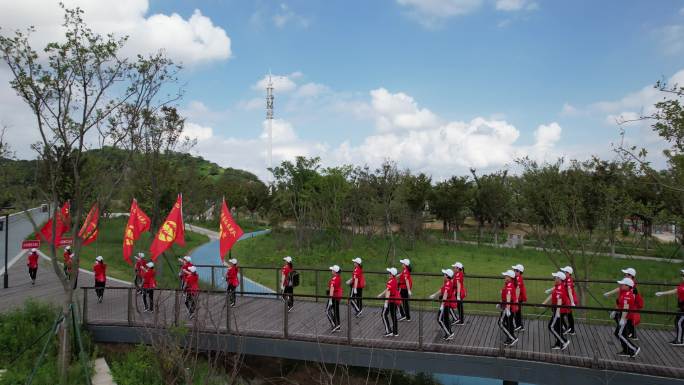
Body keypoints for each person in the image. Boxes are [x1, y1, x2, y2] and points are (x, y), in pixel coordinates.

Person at [604, 268, 641, 340]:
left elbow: (627, 304)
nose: (624, 275)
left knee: (623, 323)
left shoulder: (630, 286)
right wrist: (609, 293)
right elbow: (619, 289)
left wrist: (620, 315)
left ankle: (628, 335)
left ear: (630, 276)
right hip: (623, 306)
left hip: (626, 309)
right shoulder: (626, 283)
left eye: (625, 274)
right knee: (623, 321)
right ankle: (631, 334)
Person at [655, 269, 684, 346]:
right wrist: (662, 293)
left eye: (683, 275)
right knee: (677, 322)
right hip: (681, 308)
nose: (682, 277)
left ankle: (680, 340)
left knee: (679, 323)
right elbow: (675, 291)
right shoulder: (682, 285)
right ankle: (679, 338)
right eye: (682, 275)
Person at [612, 277, 640, 357]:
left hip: (625, 317)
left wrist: (623, 319)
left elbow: (625, 308)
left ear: (628, 286)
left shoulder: (627, 295)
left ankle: (634, 349)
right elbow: (620, 305)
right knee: (621, 334)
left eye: (622, 284)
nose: (620, 285)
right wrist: (615, 311)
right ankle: (627, 350)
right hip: (622, 315)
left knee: (619, 334)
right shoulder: (624, 293)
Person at [543, 272, 570, 350]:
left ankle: (564, 341)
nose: (554, 278)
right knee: (557, 327)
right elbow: (552, 295)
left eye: (555, 277)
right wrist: (544, 303)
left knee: (551, 327)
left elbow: (559, 300)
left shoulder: (560, 288)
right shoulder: (558, 286)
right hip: (559, 310)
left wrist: (557, 313)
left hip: (560, 311)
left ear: (559, 279)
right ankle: (559, 343)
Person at [429, 269, 455, 340]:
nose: (443, 275)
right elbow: (441, 290)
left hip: (446, 304)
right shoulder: (448, 282)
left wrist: (442, 305)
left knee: (439, 319)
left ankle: (449, 334)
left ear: (447, 276)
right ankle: (450, 332)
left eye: (444, 274)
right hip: (447, 303)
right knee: (446, 319)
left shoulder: (448, 284)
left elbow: (445, 294)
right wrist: (434, 295)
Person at [377, 267, 400, 337]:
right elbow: (387, 289)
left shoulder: (390, 281)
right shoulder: (395, 280)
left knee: (383, 314)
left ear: (391, 274)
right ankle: (395, 332)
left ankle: (388, 331)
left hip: (390, 301)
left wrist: (386, 303)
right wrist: (381, 294)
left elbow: (388, 292)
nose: (388, 274)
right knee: (393, 316)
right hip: (394, 300)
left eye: (389, 273)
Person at [498, 270, 518, 346]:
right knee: (509, 324)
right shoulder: (509, 284)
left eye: (506, 276)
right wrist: (500, 302)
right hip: (509, 307)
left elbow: (509, 297)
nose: (505, 277)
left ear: (510, 277)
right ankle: (509, 338)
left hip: (508, 307)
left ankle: (512, 338)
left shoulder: (509, 285)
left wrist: (507, 308)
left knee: (501, 323)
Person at [560, 266, 578, 335]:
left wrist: (572, 302)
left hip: (570, 300)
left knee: (562, 314)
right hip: (567, 300)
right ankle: (571, 329)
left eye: (565, 272)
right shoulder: (565, 279)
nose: (564, 272)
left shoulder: (569, 280)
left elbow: (570, 292)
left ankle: (567, 328)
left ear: (568, 273)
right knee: (569, 315)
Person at [326, 265, 343, 332]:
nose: (331, 271)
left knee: (327, 311)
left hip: (333, 297)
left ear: (335, 271)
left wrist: (330, 300)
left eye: (332, 270)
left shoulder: (334, 279)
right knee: (336, 311)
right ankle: (338, 325)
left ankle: (335, 325)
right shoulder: (339, 277)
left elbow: (332, 289)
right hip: (337, 297)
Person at [512, 264, 527, 332]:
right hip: (517, 298)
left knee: (517, 312)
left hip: (518, 299)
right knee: (517, 312)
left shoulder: (518, 279)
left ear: (519, 272)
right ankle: (520, 326)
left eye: (515, 270)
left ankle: (519, 326)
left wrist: (516, 300)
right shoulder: (517, 278)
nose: (514, 271)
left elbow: (518, 289)